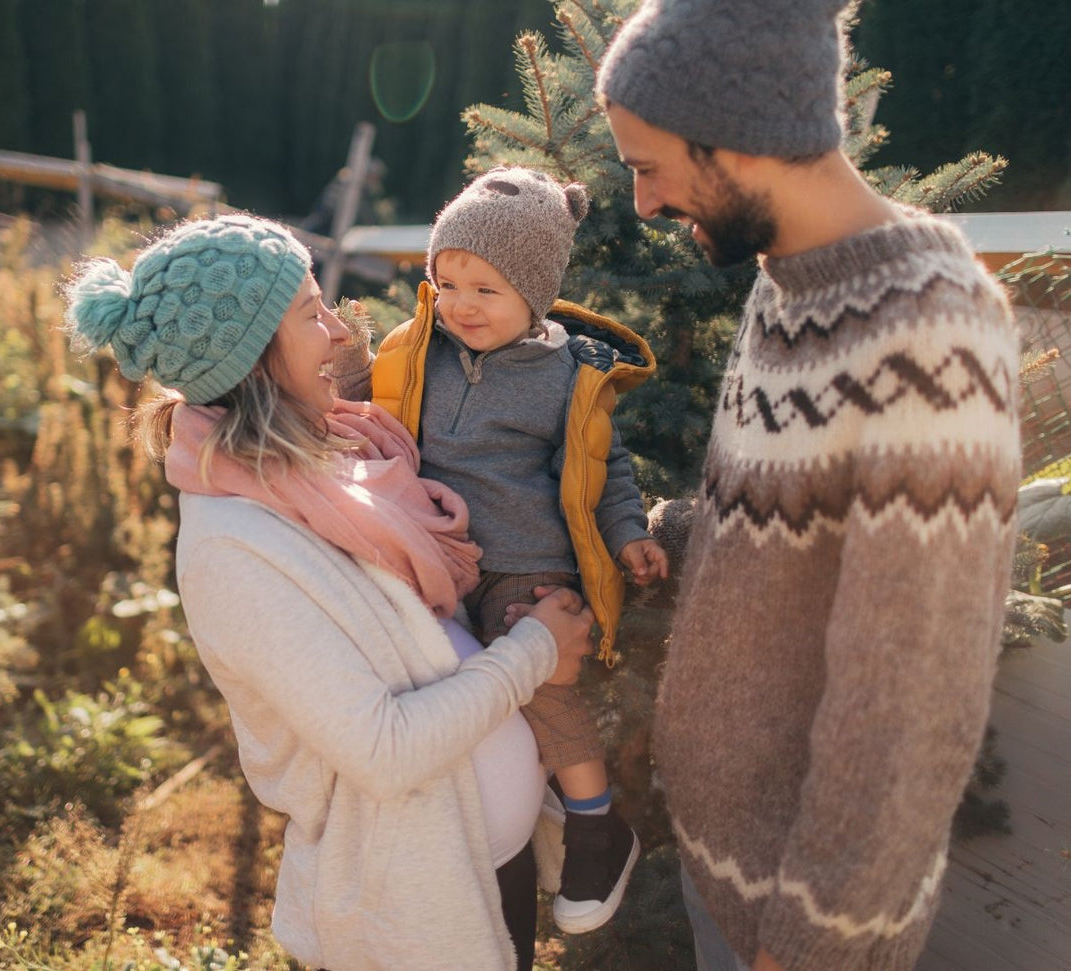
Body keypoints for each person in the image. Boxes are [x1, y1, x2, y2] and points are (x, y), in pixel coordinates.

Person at [595, 2, 1022, 969]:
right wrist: (639, 528)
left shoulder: (931, 328)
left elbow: (914, 689)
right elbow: (779, 526)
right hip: (728, 873)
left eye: (647, 165)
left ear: (738, 144)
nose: (644, 205)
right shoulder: (784, 283)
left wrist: (815, 939)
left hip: (798, 925)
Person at [64, 213, 594, 970]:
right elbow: (382, 749)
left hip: (474, 860)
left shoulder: (323, 468)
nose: (338, 334)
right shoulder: (234, 550)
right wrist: (532, 651)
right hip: (410, 901)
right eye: (310, 312)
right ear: (248, 356)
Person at [334, 165, 669, 935]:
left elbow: (603, 469)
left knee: (543, 682)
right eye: (446, 282)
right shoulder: (420, 350)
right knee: (460, 699)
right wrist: (348, 367)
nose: (459, 305)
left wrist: (627, 535)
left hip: (527, 567)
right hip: (436, 560)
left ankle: (595, 826)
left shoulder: (564, 377)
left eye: (484, 289)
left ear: (535, 293)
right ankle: (516, 811)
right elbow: (371, 408)